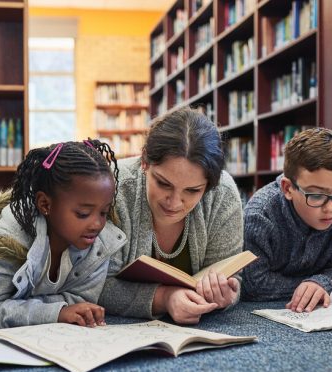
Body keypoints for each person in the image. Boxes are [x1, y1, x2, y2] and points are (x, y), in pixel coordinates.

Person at [98, 107, 244, 324]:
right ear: (145, 161)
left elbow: (232, 275)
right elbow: (95, 284)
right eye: (163, 183)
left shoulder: (222, 193)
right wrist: (164, 298)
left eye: (193, 190)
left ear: (209, 186)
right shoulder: (113, 188)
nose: (174, 203)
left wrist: (228, 294)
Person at [0, 140, 126, 328]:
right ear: (45, 204)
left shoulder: (100, 246)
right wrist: (57, 312)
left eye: (104, 212)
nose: (97, 224)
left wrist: (60, 311)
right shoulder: (9, 239)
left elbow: (80, 301)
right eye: (83, 214)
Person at [242, 128, 332, 312]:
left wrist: (321, 283)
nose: (330, 208)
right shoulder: (260, 214)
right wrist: (309, 286)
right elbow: (254, 283)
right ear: (288, 188)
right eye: (316, 195)